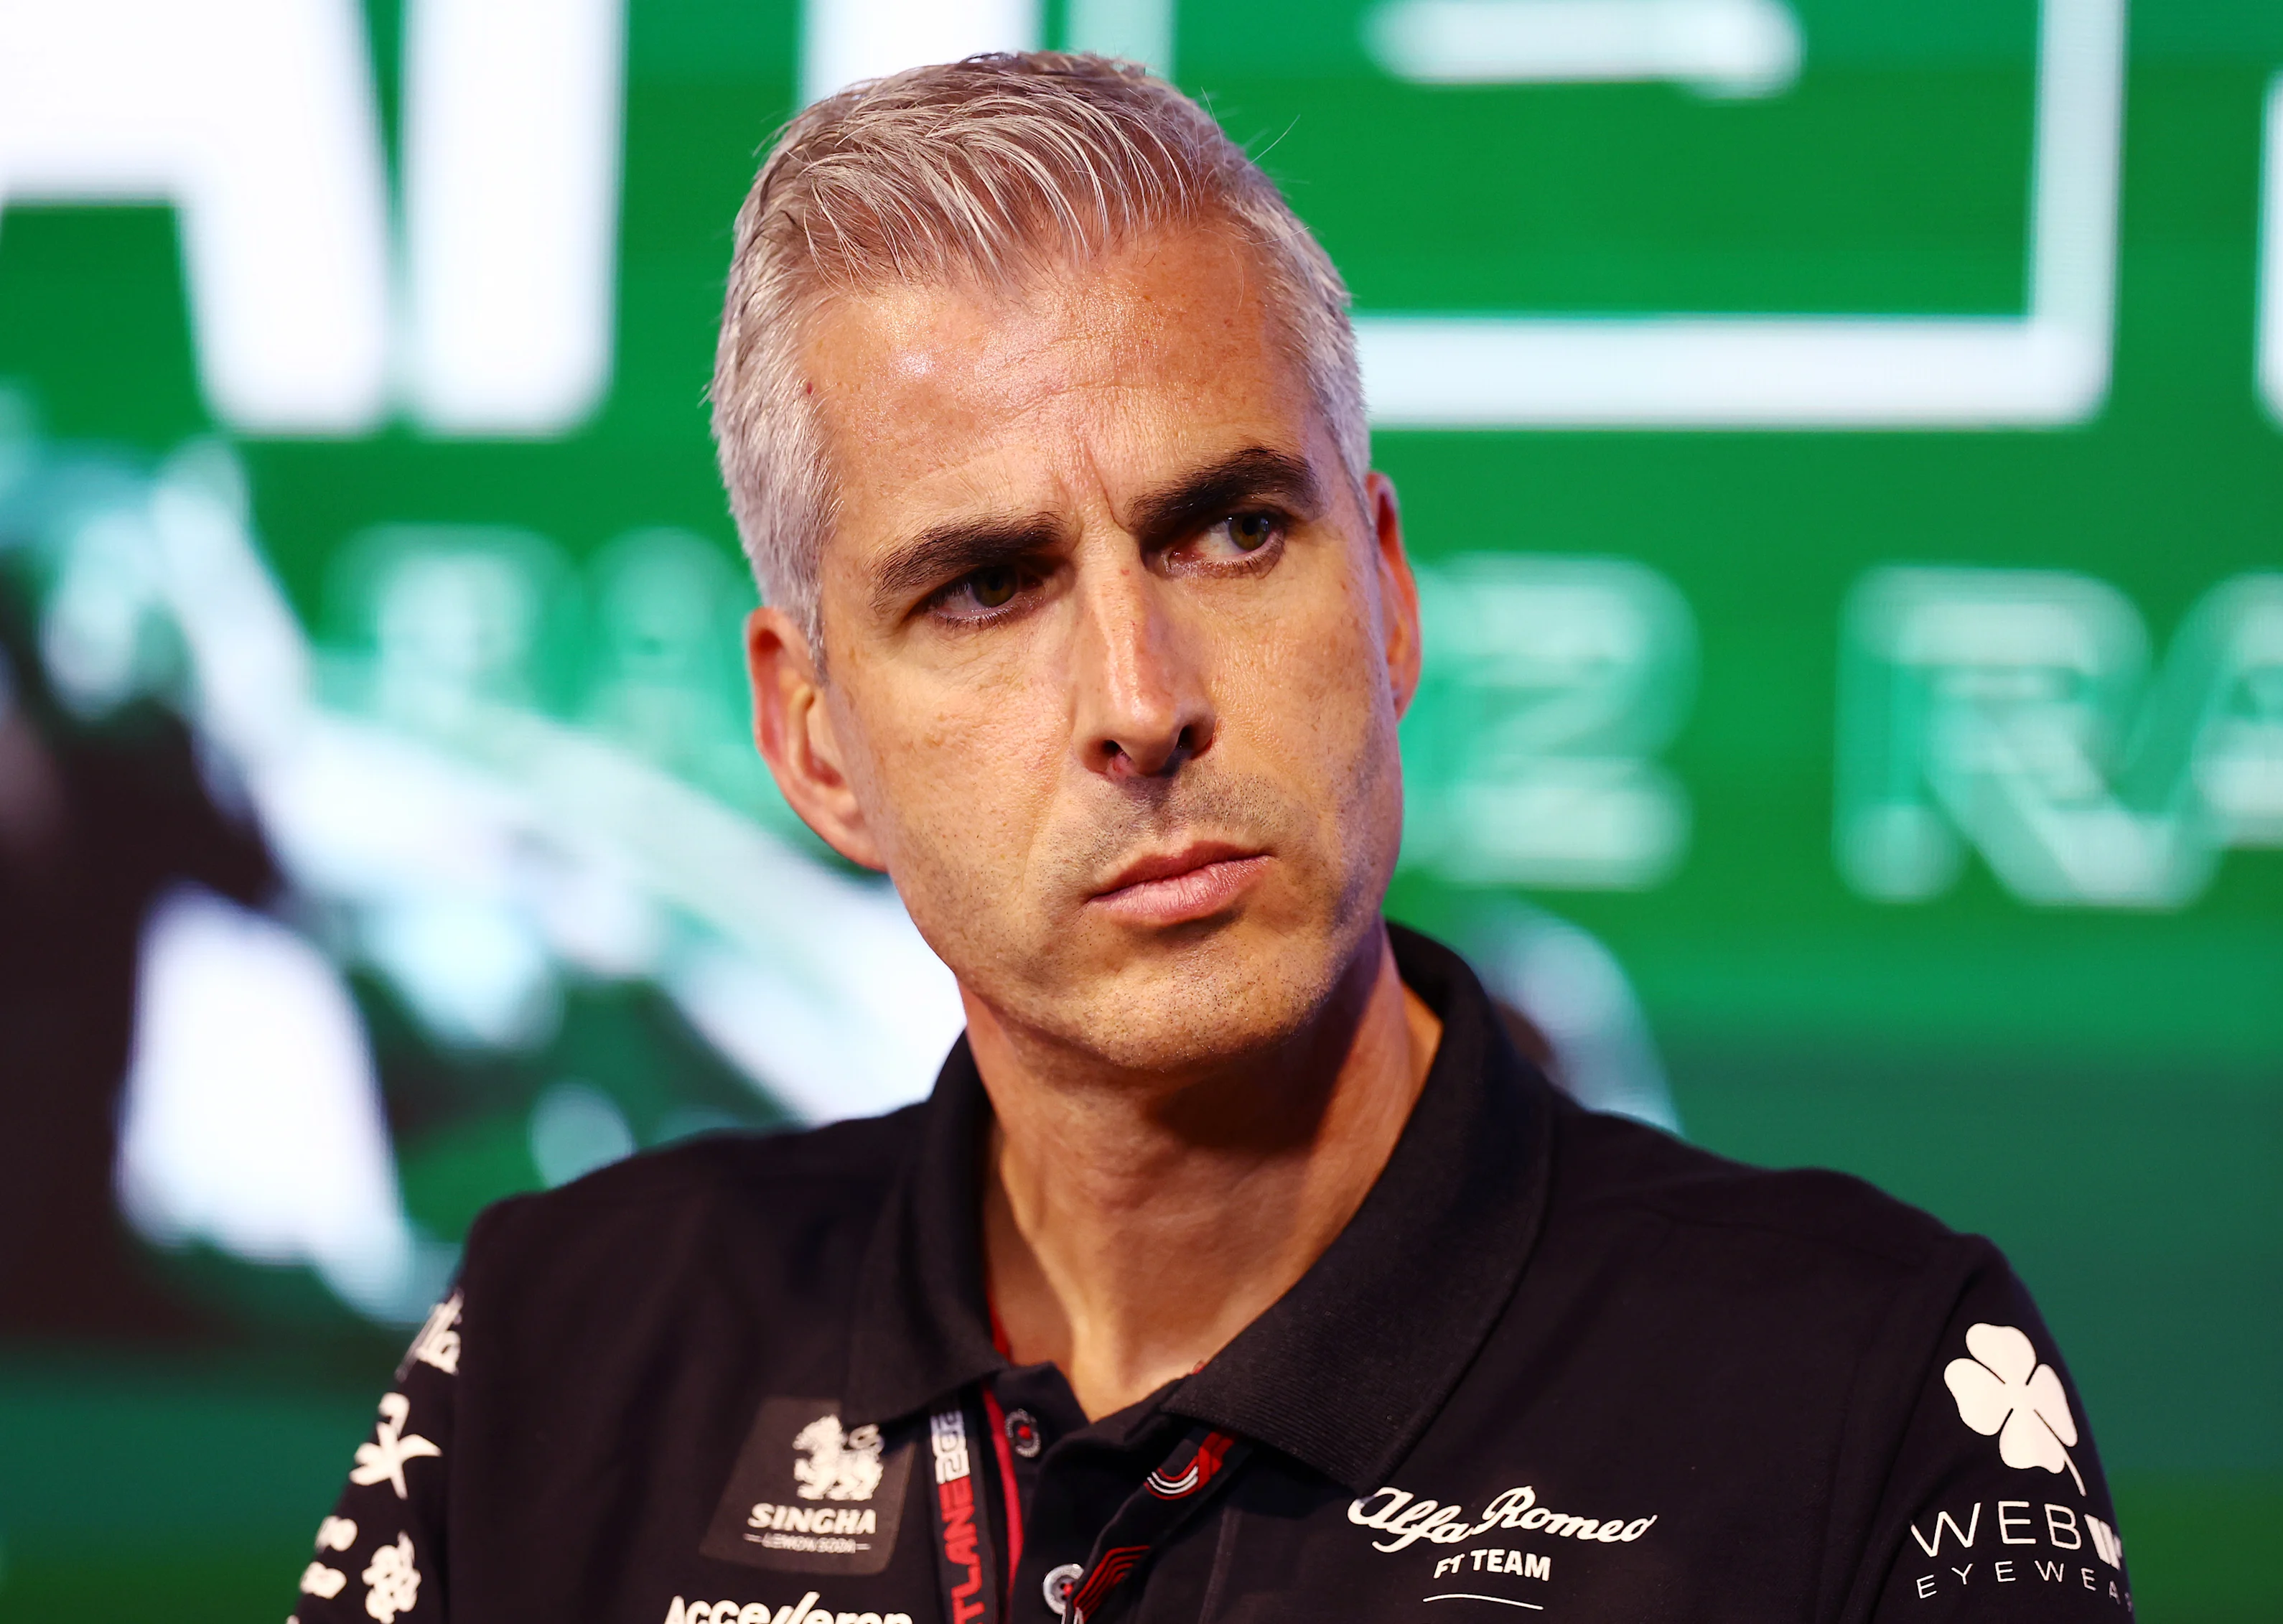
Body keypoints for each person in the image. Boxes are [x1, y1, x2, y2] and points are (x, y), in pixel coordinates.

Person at [293, 52, 2129, 1624]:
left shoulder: (1874, 1385)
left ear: (1386, 595)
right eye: (986, 587)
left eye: (1234, 533)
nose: (1140, 699)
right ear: (814, 741)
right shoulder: (548, 1351)